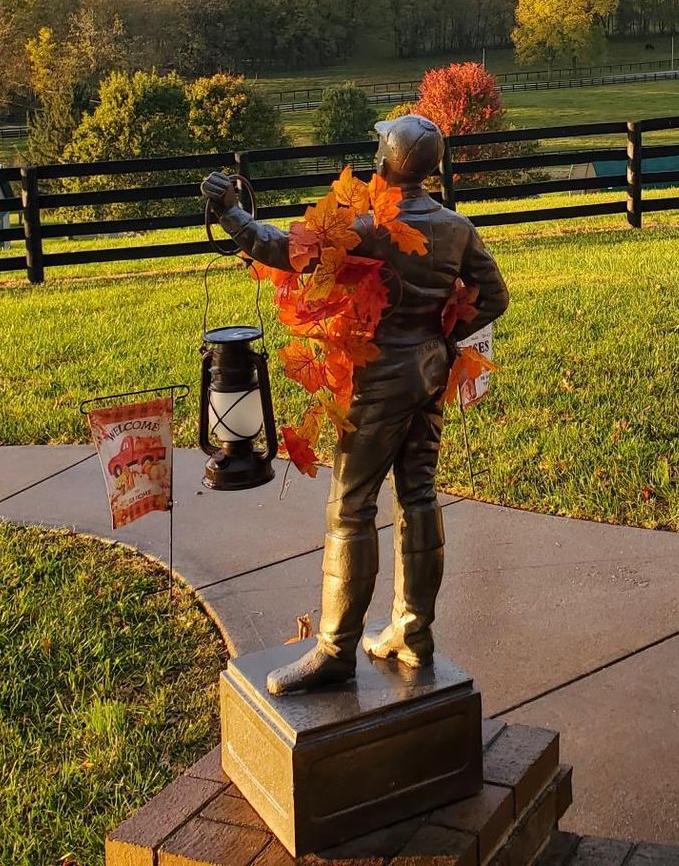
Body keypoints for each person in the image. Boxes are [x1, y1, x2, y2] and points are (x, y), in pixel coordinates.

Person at [200, 114, 509, 694]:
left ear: (388, 163)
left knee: (350, 507)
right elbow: (494, 297)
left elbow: (279, 248)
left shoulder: (368, 229)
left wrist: (230, 214)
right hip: (429, 368)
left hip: (381, 376)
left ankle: (336, 650)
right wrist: (444, 335)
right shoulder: (457, 228)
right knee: (417, 494)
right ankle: (413, 636)